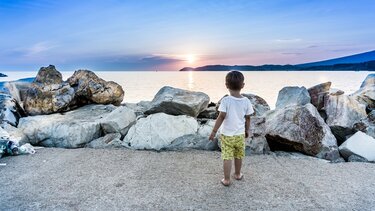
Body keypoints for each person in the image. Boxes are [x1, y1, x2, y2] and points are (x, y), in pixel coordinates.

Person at [209, 71, 254, 186]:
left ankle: (227, 179)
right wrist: (247, 130)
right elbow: (248, 118)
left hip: (227, 135)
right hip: (240, 135)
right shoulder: (246, 101)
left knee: (227, 157)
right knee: (239, 155)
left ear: (226, 85)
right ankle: (238, 174)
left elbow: (221, 117)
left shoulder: (226, 101)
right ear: (243, 85)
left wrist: (214, 131)